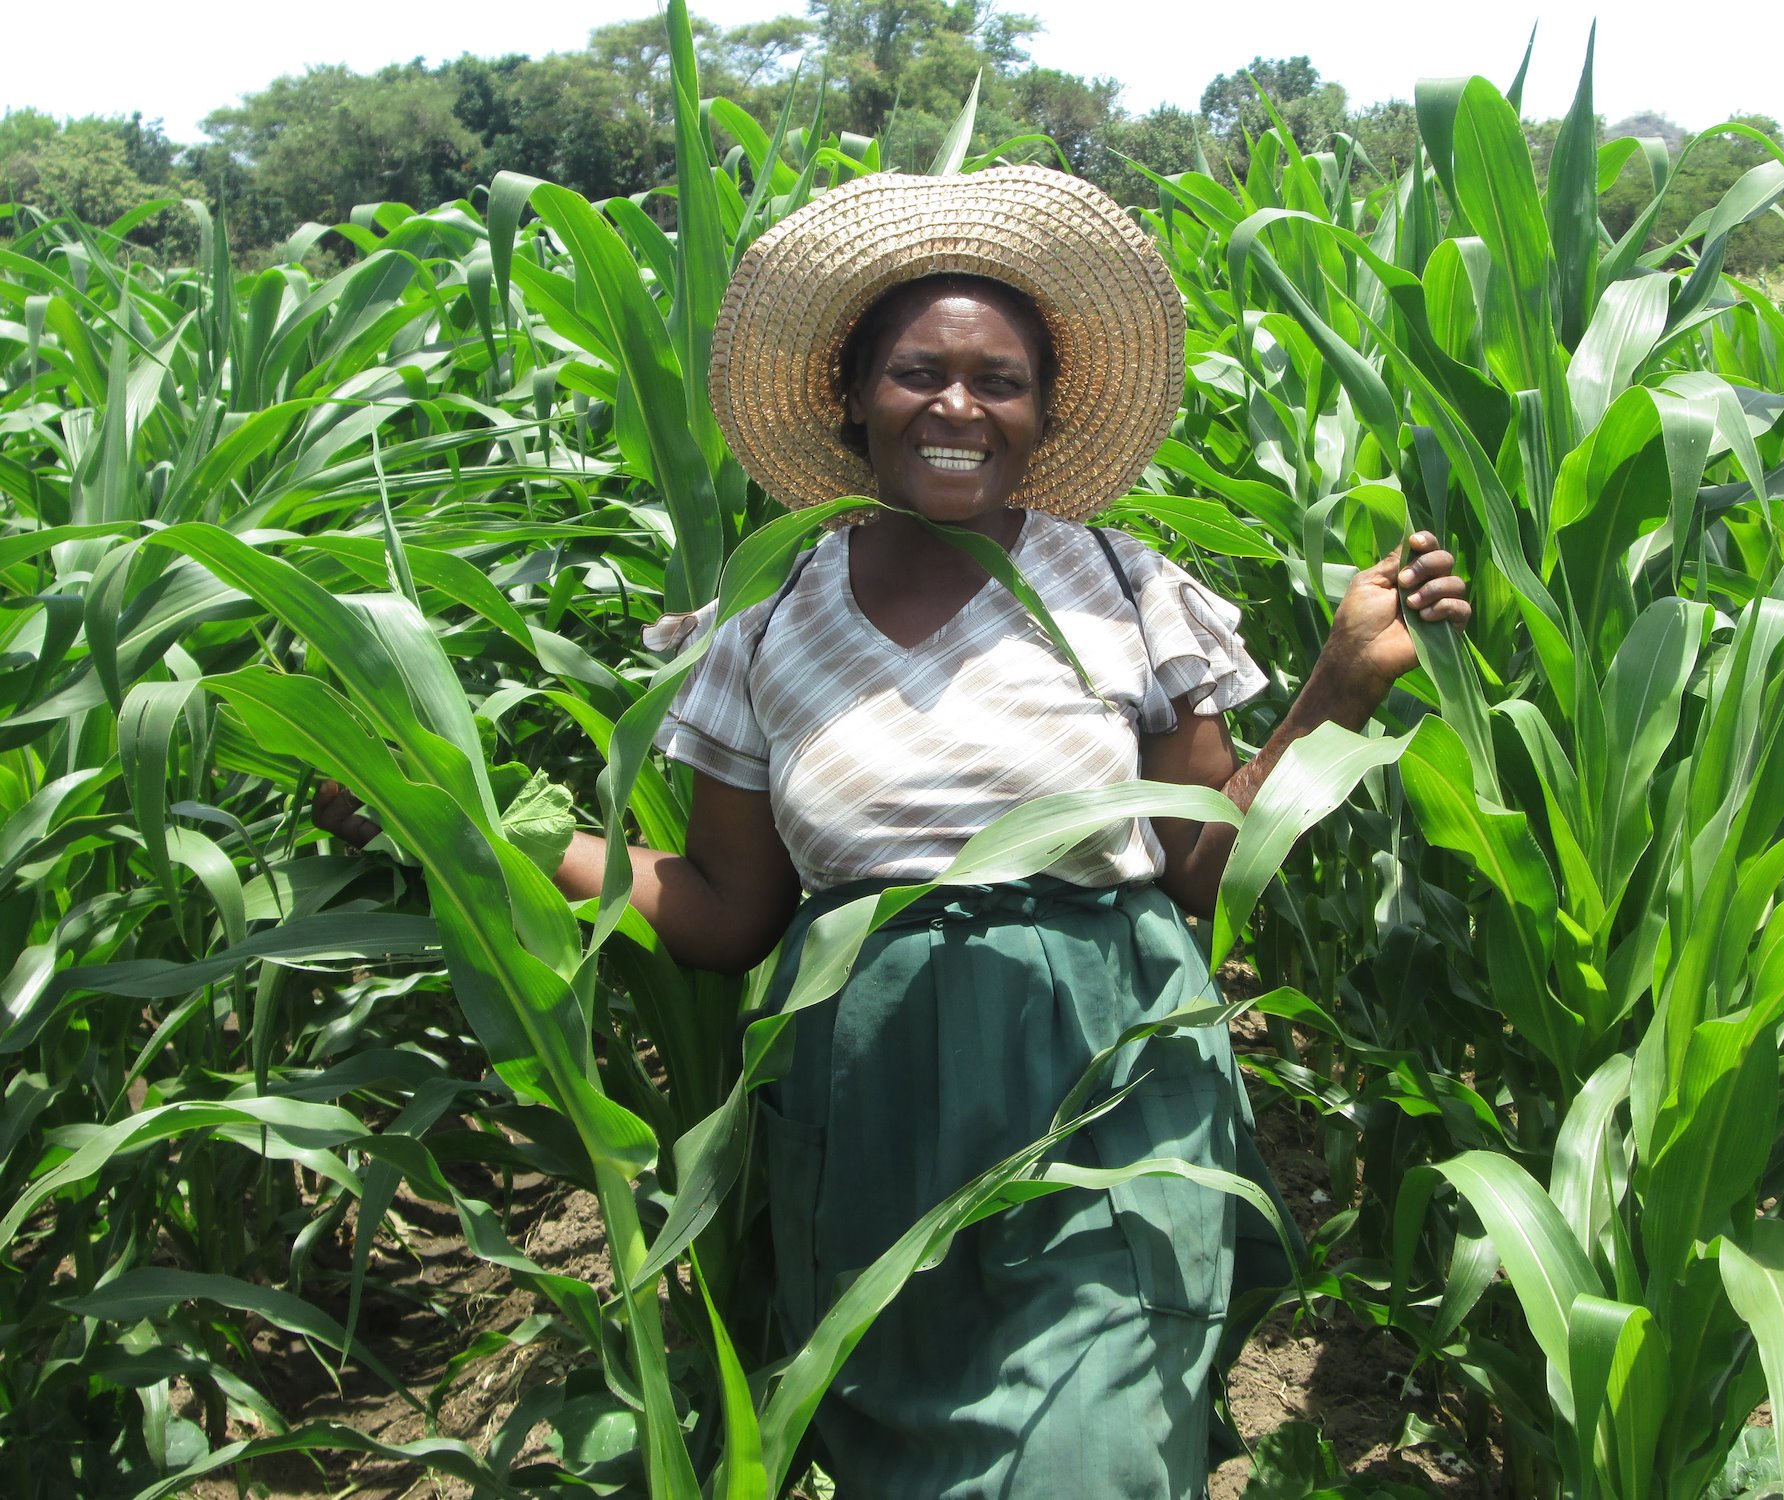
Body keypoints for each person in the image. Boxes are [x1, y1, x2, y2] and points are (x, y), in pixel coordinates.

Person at [316, 165, 1467, 1498]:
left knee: (1090, 1455)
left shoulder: (1119, 588)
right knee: (906, 1458)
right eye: (920, 372)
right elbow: (717, 909)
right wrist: (459, 828)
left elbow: (1199, 865)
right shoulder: (764, 627)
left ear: (1043, 414)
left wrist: (1335, 689)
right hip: (865, 1107)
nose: (960, 406)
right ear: (851, 397)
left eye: (1001, 380)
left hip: (1102, 1074)